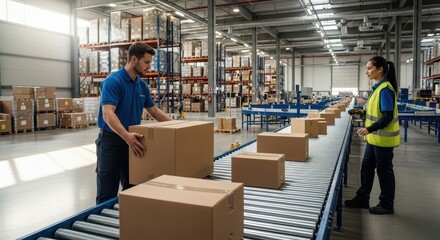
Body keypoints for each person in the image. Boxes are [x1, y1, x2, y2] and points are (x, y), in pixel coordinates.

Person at [95, 42, 171, 204]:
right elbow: (108, 113)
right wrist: (125, 136)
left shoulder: (141, 85)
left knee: (132, 188)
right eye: (147, 62)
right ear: (134, 59)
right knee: (107, 192)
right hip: (111, 142)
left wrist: (178, 126)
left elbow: (154, 112)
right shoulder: (113, 81)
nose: (149, 67)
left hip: (132, 141)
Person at [345, 56, 400, 215]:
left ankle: (387, 204)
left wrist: (369, 129)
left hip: (383, 139)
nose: (366, 71)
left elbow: (387, 116)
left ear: (380, 69)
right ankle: (362, 198)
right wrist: (361, 113)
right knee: (367, 167)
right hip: (374, 139)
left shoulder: (385, 90)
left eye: (369, 68)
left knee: (384, 172)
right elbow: (375, 112)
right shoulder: (377, 88)